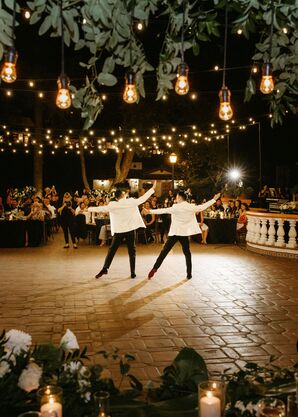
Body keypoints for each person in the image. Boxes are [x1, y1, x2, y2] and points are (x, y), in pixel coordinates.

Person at [145, 191, 221, 280]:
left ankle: (154, 269)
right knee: (187, 253)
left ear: (180, 198)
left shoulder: (175, 207)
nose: (175, 198)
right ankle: (189, 274)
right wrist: (214, 199)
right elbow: (202, 207)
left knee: (164, 252)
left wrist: (149, 211)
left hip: (175, 233)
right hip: (184, 234)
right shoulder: (190, 206)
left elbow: (163, 210)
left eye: (176, 197)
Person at [88, 181, 157, 279]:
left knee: (112, 250)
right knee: (132, 251)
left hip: (119, 231)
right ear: (124, 194)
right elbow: (143, 198)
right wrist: (152, 188)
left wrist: (89, 209)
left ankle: (105, 268)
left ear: (116, 197)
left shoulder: (113, 204)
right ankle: (132, 272)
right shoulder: (131, 201)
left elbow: (102, 209)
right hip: (130, 230)